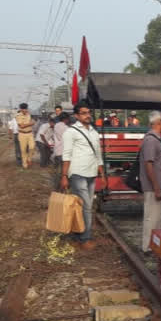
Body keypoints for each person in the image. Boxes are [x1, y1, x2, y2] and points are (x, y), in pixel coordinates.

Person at [60, 102, 106, 250]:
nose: (88, 115)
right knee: (86, 207)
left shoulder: (93, 131)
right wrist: (64, 176)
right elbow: (66, 155)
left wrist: (102, 174)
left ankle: (75, 236)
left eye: (88, 112)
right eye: (84, 113)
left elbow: (97, 154)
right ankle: (85, 239)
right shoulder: (70, 132)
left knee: (82, 206)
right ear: (76, 115)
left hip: (91, 173)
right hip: (77, 173)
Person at [139, 111, 161, 252]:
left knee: (159, 219)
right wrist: (156, 187)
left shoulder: (157, 139)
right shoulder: (151, 140)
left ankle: (155, 246)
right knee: (152, 218)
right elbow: (148, 164)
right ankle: (147, 247)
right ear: (159, 123)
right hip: (153, 188)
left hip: (160, 186)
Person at [15, 103, 36, 169]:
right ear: (21, 109)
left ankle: (29, 158)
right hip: (22, 134)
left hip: (30, 133)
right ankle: (24, 163)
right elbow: (22, 126)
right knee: (23, 150)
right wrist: (31, 123)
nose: (25, 110)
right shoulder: (18, 116)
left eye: (26, 109)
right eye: (23, 109)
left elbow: (34, 121)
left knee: (32, 147)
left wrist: (30, 123)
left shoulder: (30, 114)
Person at [52, 112, 71, 182]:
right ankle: (62, 188)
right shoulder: (66, 128)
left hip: (57, 151)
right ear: (66, 119)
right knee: (64, 172)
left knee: (58, 171)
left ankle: (57, 187)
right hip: (63, 151)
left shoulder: (56, 125)